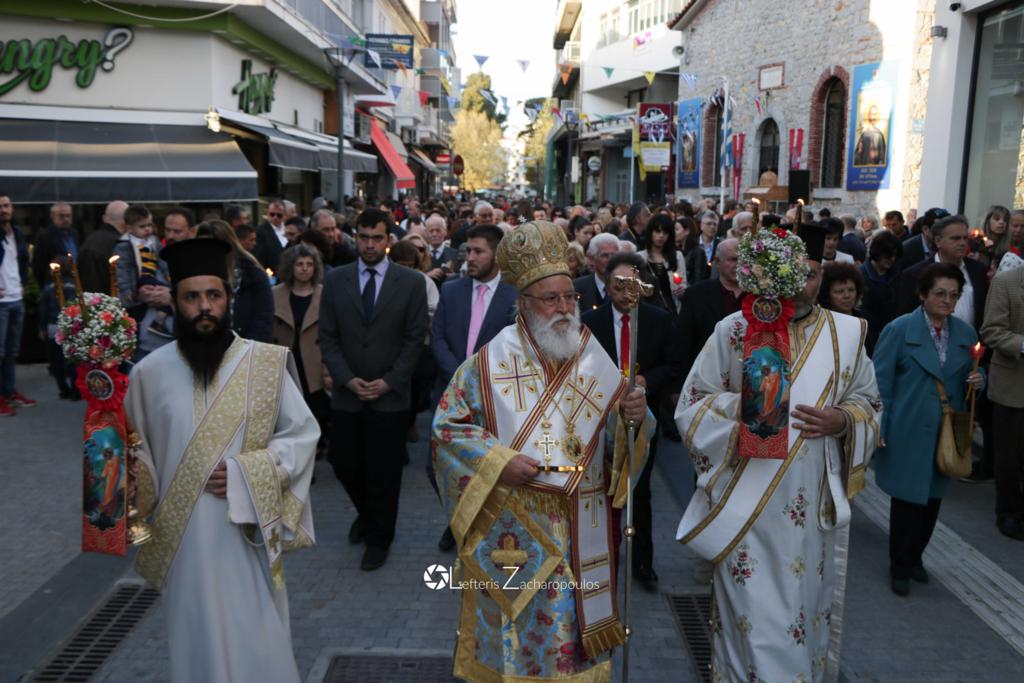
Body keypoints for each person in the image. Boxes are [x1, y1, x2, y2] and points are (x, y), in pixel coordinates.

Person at [432, 220, 653, 682]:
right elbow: (448, 428)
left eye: (570, 297)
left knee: (573, 638)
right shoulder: (490, 362)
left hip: (580, 527)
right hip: (515, 523)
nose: (564, 309)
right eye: (551, 299)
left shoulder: (591, 354)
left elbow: (617, 436)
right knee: (515, 638)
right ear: (524, 303)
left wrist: (633, 416)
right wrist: (499, 462)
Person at [675, 223, 881, 682]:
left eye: (812, 274)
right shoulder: (735, 330)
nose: (803, 285)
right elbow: (693, 403)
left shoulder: (846, 334)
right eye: (794, 273)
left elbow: (870, 402)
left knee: (798, 621)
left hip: (809, 513)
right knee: (752, 626)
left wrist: (842, 419)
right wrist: (749, 411)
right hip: (745, 506)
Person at [125, 237, 319, 683]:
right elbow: (135, 457)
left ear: (228, 298)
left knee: (258, 641)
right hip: (183, 547)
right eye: (191, 297)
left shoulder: (264, 364)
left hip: (245, 535)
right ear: (175, 302)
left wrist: (246, 474)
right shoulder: (148, 374)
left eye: (213, 295)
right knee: (197, 650)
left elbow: (302, 435)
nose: (204, 307)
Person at [319, 208, 428, 571]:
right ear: (355, 237)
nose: (369, 245)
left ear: (388, 240)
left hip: (390, 396)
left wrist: (390, 381)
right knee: (343, 462)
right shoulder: (336, 280)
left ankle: (380, 538)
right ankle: (368, 515)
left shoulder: (410, 283)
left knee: (384, 472)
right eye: (363, 237)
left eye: (376, 238)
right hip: (347, 393)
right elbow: (328, 336)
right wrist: (346, 378)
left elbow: (414, 339)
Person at [873, 262, 984, 594]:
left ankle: (916, 557)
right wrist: (880, 427)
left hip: (945, 430)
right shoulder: (899, 330)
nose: (947, 301)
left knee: (934, 499)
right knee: (906, 502)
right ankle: (899, 565)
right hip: (907, 428)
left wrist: (979, 380)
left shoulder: (965, 334)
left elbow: (971, 377)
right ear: (923, 294)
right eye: (939, 293)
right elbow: (880, 384)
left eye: (953, 295)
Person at [582, 252, 678, 592]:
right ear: (607, 286)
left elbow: (672, 365)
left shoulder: (658, 320)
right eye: (618, 286)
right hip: (599, 419)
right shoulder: (589, 323)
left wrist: (645, 382)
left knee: (640, 490)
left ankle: (642, 563)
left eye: (632, 285)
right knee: (600, 489)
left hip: (642, 418)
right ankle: (599, 556)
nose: (626, 294)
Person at [428, 224, 516, 551]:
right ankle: (458, 517)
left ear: (497, 255)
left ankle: (477, 523)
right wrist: (458, 376)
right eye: (468, 251)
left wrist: (478, 380)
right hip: (449, 392)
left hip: (492, 398)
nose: (471, 258)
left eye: (479, 251)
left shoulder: (513, 295)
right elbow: (437, 337)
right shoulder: (452, 290)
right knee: (436, 465)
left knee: (484, 464)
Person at [980, 255, 1024, 541]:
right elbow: (991, 330)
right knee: (1009, 457)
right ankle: (1008, 512)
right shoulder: (1006, 282)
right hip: (1012, 387)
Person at [271, 244, 329, 457]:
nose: (304, 268)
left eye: (309, 264)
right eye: (299, 264)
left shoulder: (324, 295)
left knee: (314, 407)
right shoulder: (275, 294)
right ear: (291, 267)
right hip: (285, 357)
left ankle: (313, 450)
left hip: (314, 360)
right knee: (288, 408)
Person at [388, 239, 439, 445]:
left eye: (410, 266)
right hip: (390, 343)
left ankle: (410, 422)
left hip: (417, 344)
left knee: (415, 386)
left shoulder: (424, 282)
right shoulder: (385, 280)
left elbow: (434, 309)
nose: (406, 270)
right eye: (402, 265)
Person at [897, 215, 988, 331]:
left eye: (965, 238)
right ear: (938, 241)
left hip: (970, 340)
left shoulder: (978, 270)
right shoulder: (914, 274)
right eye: (956, 238)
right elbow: (906, 317)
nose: (962, 243)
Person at [196, 220, 274, 343]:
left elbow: (263, 320)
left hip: (244, 347)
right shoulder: (194, 277)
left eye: (212, 247)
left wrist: (244, 349)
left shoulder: (253, 275)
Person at [676, 238, 742, 380]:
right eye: (733, 259)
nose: (739, 264)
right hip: (705, 376)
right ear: (718, 262)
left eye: (743, 259)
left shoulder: (757, 297)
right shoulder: (696, 295)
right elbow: (683, 343)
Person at [114, 205, 174, 339]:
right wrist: (126, 290)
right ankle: (158, 322)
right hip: (140, 279)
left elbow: (163, 260)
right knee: (171, 295)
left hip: (152, 278)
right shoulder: (124, 245)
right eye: (142, 226)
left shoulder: (153, 241)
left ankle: (158, 321)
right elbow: (122, 270)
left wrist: (168, 275)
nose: (147, 229)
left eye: (149, 225)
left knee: (168, 295)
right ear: (129, 228)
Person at [0, 195, 35, 416]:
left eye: (6, 206)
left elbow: (22, 261)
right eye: (0, 207)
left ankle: (9, 392)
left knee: (12, 352)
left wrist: (22, 283)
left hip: (16, 298)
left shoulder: (17, 233)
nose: (3, 210)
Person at [37, 254, 79, 399]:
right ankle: (75, 389)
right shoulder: (73, 286)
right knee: (72, 359)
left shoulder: (48, 288)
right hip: (69, 325)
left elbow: (43, 310)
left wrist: (42, 328)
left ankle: (63, 388)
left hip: (52, 325)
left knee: (56, 360)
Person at [859, 230, 903, 342]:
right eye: (888, 255)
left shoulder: (897, 273)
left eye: (894, 255)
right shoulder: (862, 275)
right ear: (877, 252)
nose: (892, 259)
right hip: (872, 335)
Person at [638, 213, 686, 313]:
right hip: (647, 308)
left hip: (670, 308)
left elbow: (682, 284)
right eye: (657, 231)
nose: (661, 236)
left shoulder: (677, 256)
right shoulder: (639, 257)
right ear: (651, 232)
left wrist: (682, 291)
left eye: (665, 232)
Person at [78, 200, 128, 294]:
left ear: (104, 218)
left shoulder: (90, 240)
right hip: (111, 299)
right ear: (126, 222)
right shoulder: (120, 245)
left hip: (88, 298)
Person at [31, 202, 79, 287]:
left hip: (75, 281)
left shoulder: (74, 234)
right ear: (53, 216)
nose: (66, 219)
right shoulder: (45, 237)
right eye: (61, 216)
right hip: (55, 283)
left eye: (68, 216)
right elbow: (38, 266)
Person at [573, 233, 619, 311]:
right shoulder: (577, 287)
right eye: (605, 255)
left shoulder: (629, 287)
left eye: (614, 255)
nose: (611, 260)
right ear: (593, 258)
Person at [253, 199, 288, 273]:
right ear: (267, 214)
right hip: (271, 273)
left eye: (279, 215)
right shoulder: (260, 231)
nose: (275, 217)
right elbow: (260, 256)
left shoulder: (289, 229)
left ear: (284, 216)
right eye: (272, 214)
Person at [685, 210, 721, 283]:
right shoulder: (693, 243)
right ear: (701, 226)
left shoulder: (720, 245)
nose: (712, 227)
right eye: (709, 224)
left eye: (715, 224)